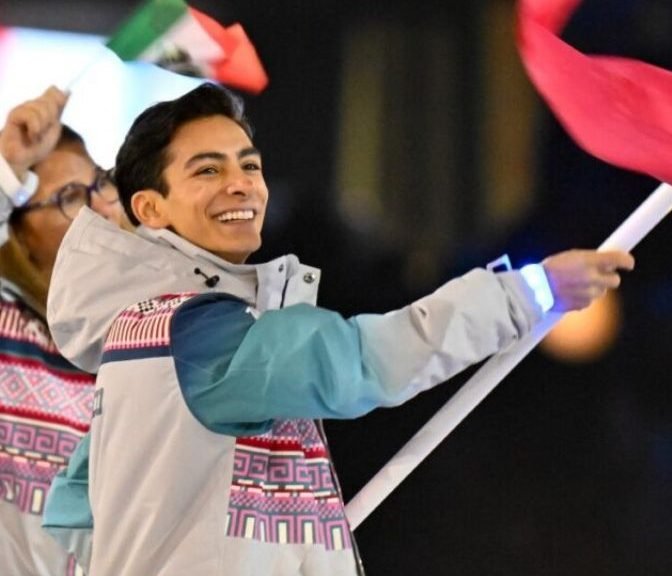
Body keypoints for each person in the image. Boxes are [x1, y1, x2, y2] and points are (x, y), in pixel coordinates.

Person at [43, 83, 635, 576]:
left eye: (249, 165)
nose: (241, 183)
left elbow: (73, 506)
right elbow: (364, 361)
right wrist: (526, 293)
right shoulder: (196, 331)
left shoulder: (138, 335)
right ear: (150, 209)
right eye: (207, 170)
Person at [0, 87, 130, 575]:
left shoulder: (155, 339)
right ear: (17, 231)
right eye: (71, 197)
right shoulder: (8, 330)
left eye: (101, 182)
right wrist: (7, 166)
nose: (101, 208)